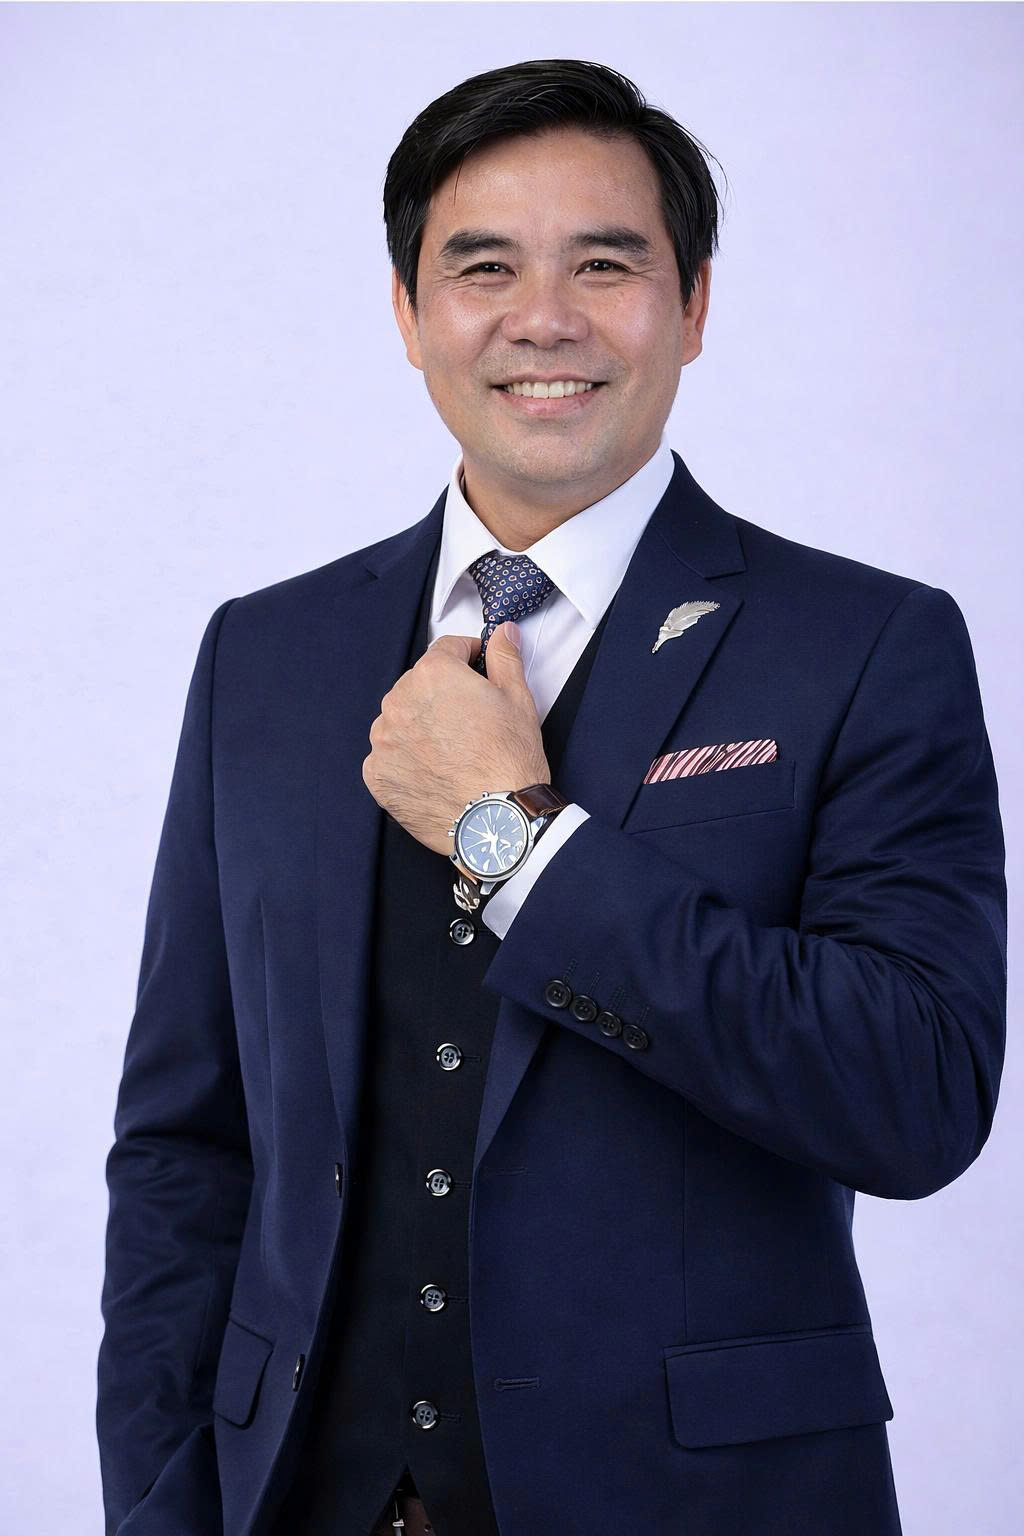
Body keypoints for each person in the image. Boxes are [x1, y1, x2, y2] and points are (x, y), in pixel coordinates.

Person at [96, 57, 1006, 1536]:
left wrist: (516, 842)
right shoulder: (266, 654)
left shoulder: (862, 645)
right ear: (408, 315)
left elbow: (918, 1093)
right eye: (483, 268)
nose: (544, 319)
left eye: (605, 263)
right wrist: (159, 1505)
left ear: (692, 305)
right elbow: (185, 1144)